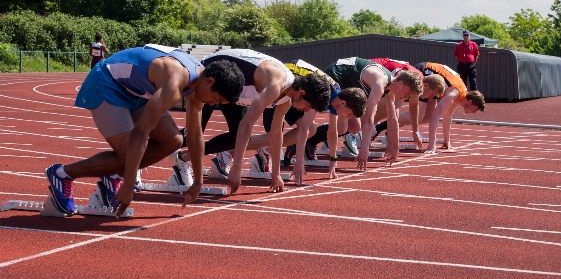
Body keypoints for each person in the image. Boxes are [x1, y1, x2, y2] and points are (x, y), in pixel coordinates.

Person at [44, 44, 245, 217]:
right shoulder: (175, 83)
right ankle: (62, 174)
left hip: (136, 90)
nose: (213, 103)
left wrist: (198, 183)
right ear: (210, 82)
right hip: (106, 83)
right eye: (216, 99)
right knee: (127, 156)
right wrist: (128, 184)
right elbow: (140, 132)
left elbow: (194, 135)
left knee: (173, 140)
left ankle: (113, 174)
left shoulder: (198, 81)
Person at [170, 49, 331, 195]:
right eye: (308, 106)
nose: (307, 111)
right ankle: (148, 148)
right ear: (301, 93)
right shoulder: (276, 85)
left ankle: (181, 159)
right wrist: (237, 167)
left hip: (232, 94)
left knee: (235, 138)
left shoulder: (286, 98)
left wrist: (275, 174)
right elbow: (247, 124)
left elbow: (275, 135)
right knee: (190, 136)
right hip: (213, 76)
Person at [249, 59, 367, 186]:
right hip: (281, 84)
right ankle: (233, 149)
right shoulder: (323, 94)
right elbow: (303, 128)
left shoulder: (335, 98)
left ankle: (265, 148)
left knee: (309, 130)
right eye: (350, 114)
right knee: (276, 133)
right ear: (343, 103)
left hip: (297, 93)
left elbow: (332, 131)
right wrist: (299, 162)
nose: (349, 118)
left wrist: (333, 160)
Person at [321, 57, 421, 174]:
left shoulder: (389, 88)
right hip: (336, 75)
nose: (407, 97)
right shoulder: (380, 84)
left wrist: (395, 147)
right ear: (400, 83)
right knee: (342, 127)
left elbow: (393, 118)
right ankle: (307, 142)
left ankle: (314, 138)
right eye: (408, 93)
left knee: (354, 126)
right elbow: (369, 118)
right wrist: (364, 149)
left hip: (349, 84)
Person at [414, 62, 486, 153]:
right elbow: (435, 117)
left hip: (434, 81)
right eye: (475, 109)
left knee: (427, 117)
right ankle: (392, 122)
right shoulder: (453, 94)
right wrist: (432, 146)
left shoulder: (460, 95)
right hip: (423, 72)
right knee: (420, 115)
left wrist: (446, 141)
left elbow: (447, 118)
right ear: (470, 102)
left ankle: (395, 122)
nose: (474, 112)